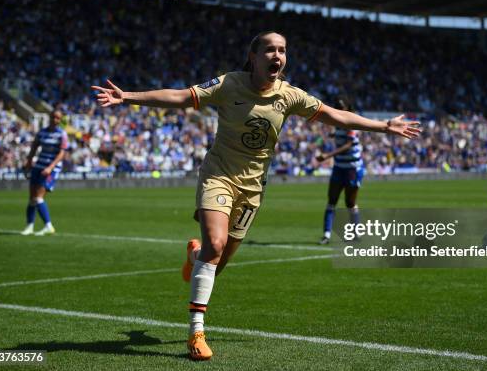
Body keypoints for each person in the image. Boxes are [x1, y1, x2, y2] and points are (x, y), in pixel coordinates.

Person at [92, 31, 421, 361]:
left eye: (282, 50)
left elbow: (336, 115)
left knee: (216, 262)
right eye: (269, 50)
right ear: (253, 56)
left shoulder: (290, 96)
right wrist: (128, 97)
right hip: (218, 174)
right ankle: (196, 331)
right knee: (216, 245)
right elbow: (180, 97)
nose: (277, 55)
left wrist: (383, 126)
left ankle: (195, 257)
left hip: (253, 189)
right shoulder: (228, 84)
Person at [316, 99, 364, 244]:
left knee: (350, 202)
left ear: (347, 107)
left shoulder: (351, 122)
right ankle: (326, 235)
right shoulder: (337, 122)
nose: (338, 109)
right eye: (336, 107)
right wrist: (331, 136)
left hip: (352, 168)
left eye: (341, 107)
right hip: (339, 167)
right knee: (332, 200)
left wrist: (327, 155)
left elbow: (348, 145)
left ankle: (356, 233)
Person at [20, 110, 68, 236]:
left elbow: (62, 153)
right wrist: (29, 161)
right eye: (53, 117)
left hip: (51, 169)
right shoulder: (42, 132)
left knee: (38, 197)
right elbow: (34, 146)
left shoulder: (62, 134)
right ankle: (29, 226)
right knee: (32, 198)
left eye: (57, 118)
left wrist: (51, 167)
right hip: (39, 166)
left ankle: (48, 226)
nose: (55, 120)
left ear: (60, 120)